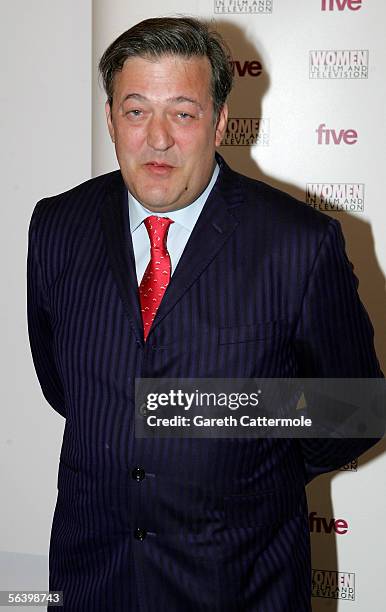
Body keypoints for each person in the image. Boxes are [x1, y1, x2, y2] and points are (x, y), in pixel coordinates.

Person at [27, 16, 383, 612]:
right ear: (110, 117)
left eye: (184, 113)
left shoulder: (299, 243)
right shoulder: (56, 226)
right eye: (136, 111)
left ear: (220, 122)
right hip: (92, 584)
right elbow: (65, 385)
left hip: (239, 588)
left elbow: (355, 410)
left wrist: (224, 437)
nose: (158, 138)